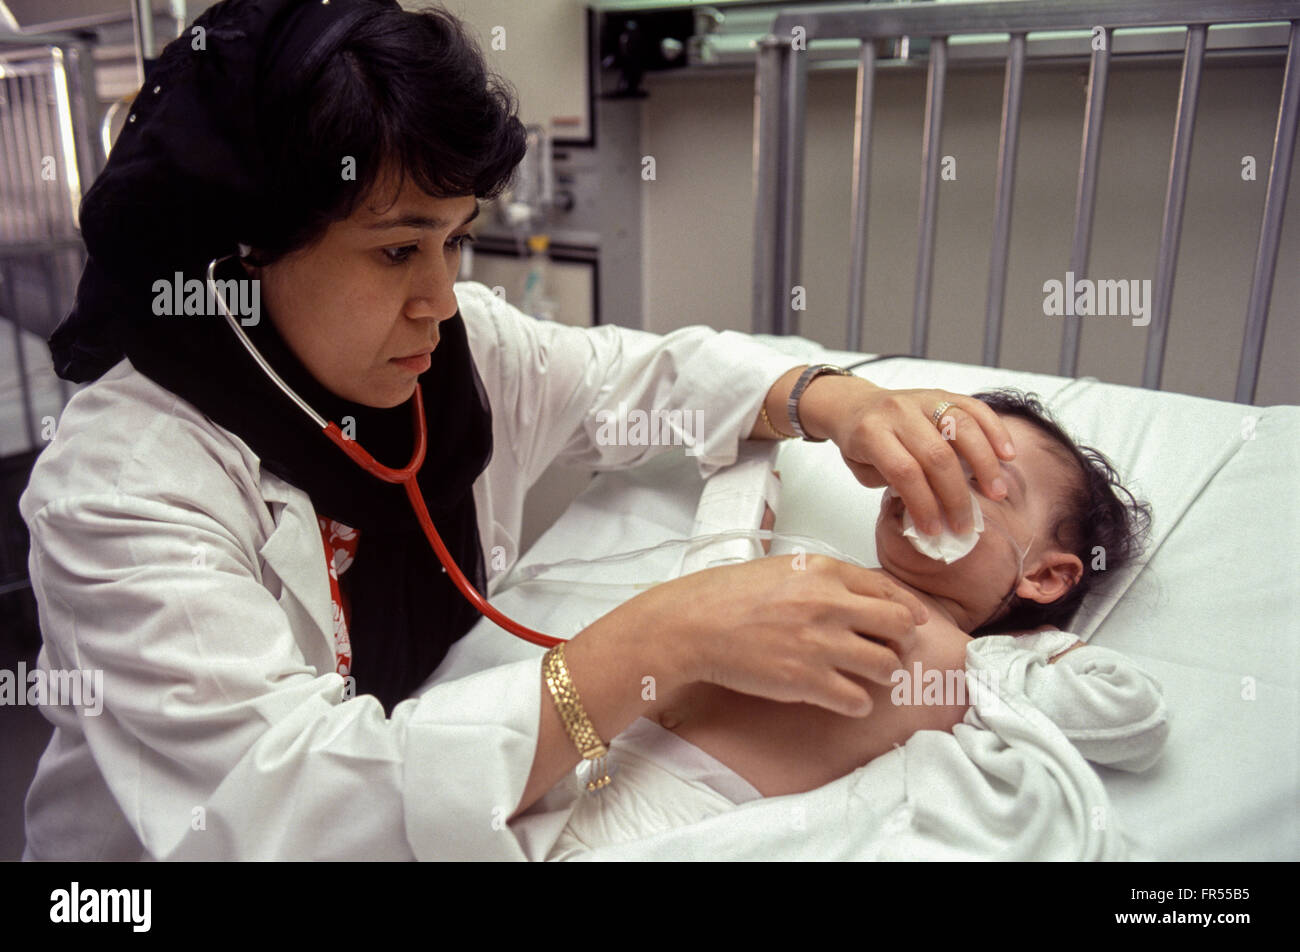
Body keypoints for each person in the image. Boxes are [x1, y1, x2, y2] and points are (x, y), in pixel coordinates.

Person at [19, 0, 1017, 861]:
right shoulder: (126, 484)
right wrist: (666, 636)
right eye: (399, 248)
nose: (441, 299)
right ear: (241, 256)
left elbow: (639, 379)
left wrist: (827, 398)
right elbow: (291, 809)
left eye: (456, 239)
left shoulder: (458, 358)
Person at [544, 390, 1167, 856]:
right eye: (935, 457)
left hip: (684, 824)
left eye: (979, 478)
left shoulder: (980, 665)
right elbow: (720, 558)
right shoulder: (814, 568)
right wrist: (757, 443)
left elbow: (1132, 716)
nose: (935, 477)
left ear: (1045, 577)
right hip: (577, 759)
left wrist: (1046, 652)